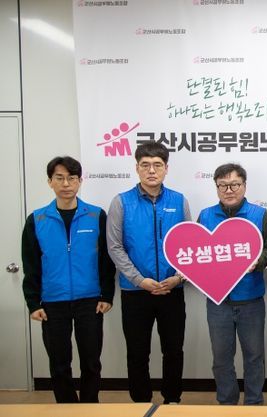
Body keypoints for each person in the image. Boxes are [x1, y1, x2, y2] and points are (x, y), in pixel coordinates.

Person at [22, 156, 115, 403]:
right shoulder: (37, 219)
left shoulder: (96, 215)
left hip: (90, 300)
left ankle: (89, 406)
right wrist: (33, 303)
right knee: (59, 363)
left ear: (80, 181)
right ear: (50, 182)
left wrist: (107, 295)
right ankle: (66, 407)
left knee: (91, 361)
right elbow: (31, 264)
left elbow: (106, 260)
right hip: (52, 302)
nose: (66, 184)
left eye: (71, 178)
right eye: (59, 178)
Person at [107, 142, 191, 404]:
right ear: (137, 168)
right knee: (137, 352)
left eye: (157, 165)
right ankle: (141, 402)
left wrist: (178, 277)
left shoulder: (179, 201)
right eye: (145, 165)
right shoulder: (121, 202)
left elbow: (190, 244)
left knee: (173, 350)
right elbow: (115, 246)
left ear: (166, 168)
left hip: (171, 290)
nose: (151, 170)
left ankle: (172, 399)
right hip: (135, 291)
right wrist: (139, 280)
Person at [198, 163, 267, 405]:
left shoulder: (259, 214)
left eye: (234, 185)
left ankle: (254, 403)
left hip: (251, 299)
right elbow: (197, 251)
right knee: (221, 358)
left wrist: (257, 262)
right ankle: (227, 403)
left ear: (244, 186)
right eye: (223, 185)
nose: (229, 190)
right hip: (218, 301)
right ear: (217, 187)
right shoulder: (205, 215)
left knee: (254, 356)